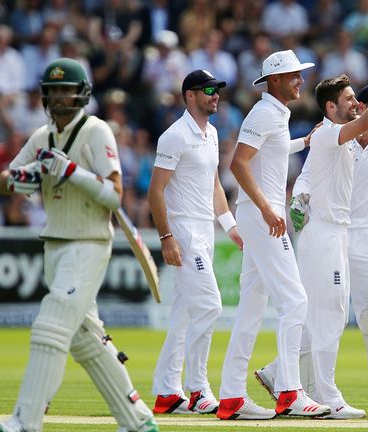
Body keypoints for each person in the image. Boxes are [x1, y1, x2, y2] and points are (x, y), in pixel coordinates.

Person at [0, 58, 157, 432]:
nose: (60, 96)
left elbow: (114, 197)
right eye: (54, 89)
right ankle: (138, 421)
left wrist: (71, 172)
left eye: (67, 89)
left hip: (90, 243)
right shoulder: (41, 137)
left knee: (51, 325)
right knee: (86, 340)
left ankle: (26, 421)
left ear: (81, 94)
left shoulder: (97, 132)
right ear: (45, 94)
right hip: (55, 246)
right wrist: (27, 174)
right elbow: (5, 181)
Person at [260, 83, 368, 418]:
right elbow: (306, 176)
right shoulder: (337, 135)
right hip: (331, 232)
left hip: (366, 236)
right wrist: (299, 199)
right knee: (320, 313)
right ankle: (306, 389)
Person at [217, 49, 332, 420]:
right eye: (294, 75)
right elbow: (238, 162)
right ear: (276, 80)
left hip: (260, 214)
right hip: (262, 216)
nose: (301, 80)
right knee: (295, 301)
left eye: (301, 74)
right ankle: (289, 393)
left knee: (251, 308)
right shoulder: (265, 112)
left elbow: (271, 152)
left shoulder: (276, 114)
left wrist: (304, 142)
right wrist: (268, 207)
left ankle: (232, 396)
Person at [149, 69, 243, 416]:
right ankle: (198, 389)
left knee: (185, 314)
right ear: (189, 95)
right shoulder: (174, 136)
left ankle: (165, 391)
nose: (215, 95)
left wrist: (230, 226)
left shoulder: (212, 133)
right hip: (184, 231)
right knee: (209, 307)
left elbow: (214, 184)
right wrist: (167, 237)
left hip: (205, 228)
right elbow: (155, 191)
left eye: (217, 89)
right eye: (208, 90)